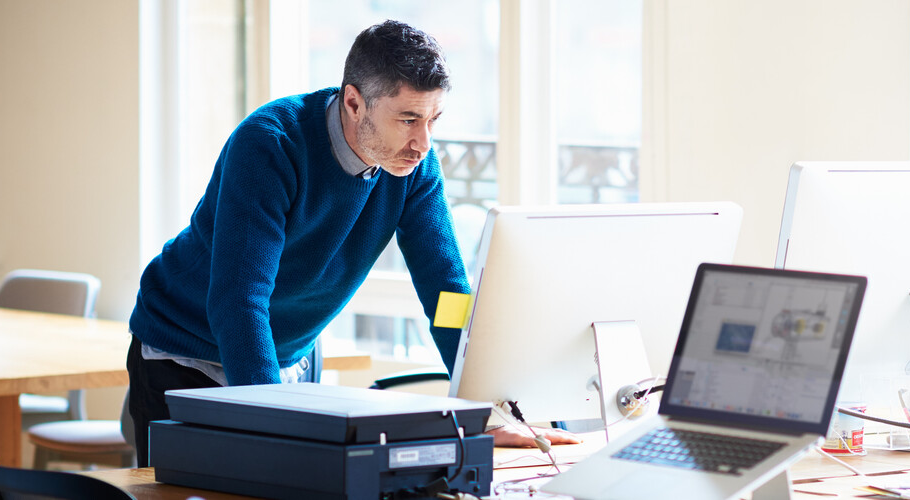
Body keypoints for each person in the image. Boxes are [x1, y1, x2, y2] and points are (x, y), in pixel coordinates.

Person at [125, 21, 576, 464]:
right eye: (408, 119)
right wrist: (275, 420)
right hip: (185, 352)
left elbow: (445, 294)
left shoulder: (414, 167)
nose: (423, 142)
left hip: (289, 357)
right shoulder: (269, 145)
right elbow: (239, 303)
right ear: (354, 102)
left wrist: (491, 409)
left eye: (433, 120)